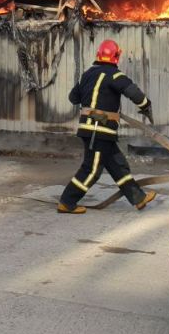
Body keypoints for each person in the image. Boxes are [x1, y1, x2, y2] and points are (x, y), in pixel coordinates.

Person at [58, 39, 157, 214]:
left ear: (99, 55)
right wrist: (146, 106)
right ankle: (67, 201)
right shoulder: (116, 76)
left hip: (94, 130)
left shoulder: (87, 75)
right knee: (92, 169)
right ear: (116, 57)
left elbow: (73, 98)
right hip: (99, 131)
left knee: (118, 164)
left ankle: (138, 198)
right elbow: (136, 94)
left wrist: (91, 96)